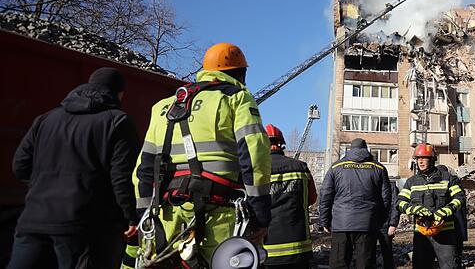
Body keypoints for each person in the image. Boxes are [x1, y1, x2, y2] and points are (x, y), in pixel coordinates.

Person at [133, 43, 271, 267]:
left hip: (167, 216)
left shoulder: (163, 107)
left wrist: (143, 215)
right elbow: (255, 156)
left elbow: (143, 168)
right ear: (240, 73)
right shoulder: (237, 98)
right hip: (219, 212)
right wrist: (260, 213)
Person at [9, 67, 140, 269]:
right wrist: (130, 217)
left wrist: (44, 187)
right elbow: (121, 178)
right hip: (84, 226)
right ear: (119, 93)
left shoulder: (46, 119)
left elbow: (20, 166)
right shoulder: (117, 122)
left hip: (33, 219)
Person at [319, 138, 392, 269]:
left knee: (339, 264)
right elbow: (386, 199)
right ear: (366, 149)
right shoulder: (379, 168)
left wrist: (325, 221)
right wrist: (379, 221)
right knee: (365, 264)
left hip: (341, 224)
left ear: (350, 150)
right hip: (368, 224)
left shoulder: (336, 167)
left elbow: (325, 196)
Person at [397, 143, 466, 269]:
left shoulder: (447, 178)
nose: (420, 162)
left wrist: (446, 210)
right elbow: (400, 202)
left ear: (433, 160)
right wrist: (414, 209)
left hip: (445, 235)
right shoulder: (411, 182)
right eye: (418, 159)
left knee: (450, 267)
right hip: (421, 235)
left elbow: (460, 198)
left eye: (424, 158)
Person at [263, 124, 317, 269]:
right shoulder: (301, 168)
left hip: (267, 248)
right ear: (281, 144)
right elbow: (312, 199)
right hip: (299, 246)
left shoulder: (256, 171)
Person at [378, 181, 401, 269]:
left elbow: (395, 206)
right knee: (369, 253)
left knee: (387, 252)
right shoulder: (370, 183)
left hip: (385, 224)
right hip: (370, 224)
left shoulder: (391, 186)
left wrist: (393, 224)